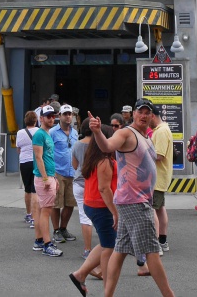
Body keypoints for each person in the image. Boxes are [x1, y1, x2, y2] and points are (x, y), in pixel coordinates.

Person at [88, 100, 174, 297]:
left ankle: (107, 295)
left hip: (136, 199)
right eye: (140, 112)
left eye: (147, 112)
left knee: (120, 251)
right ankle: (169, 294)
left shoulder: (147, 137)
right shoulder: (126, 133)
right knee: (152, 250)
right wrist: (98, 132)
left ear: (152, 115)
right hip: (134, 201)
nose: (144, 116)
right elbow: (108, 146)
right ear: (134, 114)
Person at [69, 123, 117, 296]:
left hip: (93, 204)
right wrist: (115, 212)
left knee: (107, 243)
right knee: (109, 248)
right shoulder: (104, 160)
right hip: (100, 206)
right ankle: (107, 290)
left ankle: (80, 274)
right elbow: (105, 189)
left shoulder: (94, 157)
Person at [31, 104, 62, 256]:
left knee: (44, 210)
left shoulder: (46, 134)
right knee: (46, 212)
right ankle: (47, 244)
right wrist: (45, 179)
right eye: (48, 116)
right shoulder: (39, 134)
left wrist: (53, 177)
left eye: (53, 116)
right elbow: (38, 157)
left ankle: (40, 241)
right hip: (44, 177)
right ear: (41, 118)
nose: (51, 119)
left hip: (48, 176)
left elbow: (48, 157)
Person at [50, 103, 78, 243]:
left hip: (72, 172)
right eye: (65, 114)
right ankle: (55, 230)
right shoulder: (53, 132)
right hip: (58, 172)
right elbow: (47, 152)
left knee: (70, 203)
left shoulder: (75, 132)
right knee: (56, 203)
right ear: (59, 116)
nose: (68, 116)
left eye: (70, 114)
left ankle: (63, 228)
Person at [149, 104, 173, 253]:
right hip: (160, 177)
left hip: (156, 178)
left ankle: (156, 244)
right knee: (159, 209)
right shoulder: (161, 130)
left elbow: (159, 155)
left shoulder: (161, 131)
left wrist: (142, 154)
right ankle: (162, 241)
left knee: (152, 209)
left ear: (153, 116)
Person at [71, 118, 94, 259]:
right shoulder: (98, 145)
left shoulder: (77, 145)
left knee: (84, 217)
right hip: (95, 185)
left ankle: (87, 250)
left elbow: (74, 165)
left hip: (79, 183)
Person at [16, 110, 38, 230]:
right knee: (35, 190)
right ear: (35, 120)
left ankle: (28, 213)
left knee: (27, 188)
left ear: (25, 120)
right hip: (35, 161)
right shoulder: (40, 131)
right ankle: (35, 217)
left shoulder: (20, 132)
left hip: (24, 162)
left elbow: (18, 149)